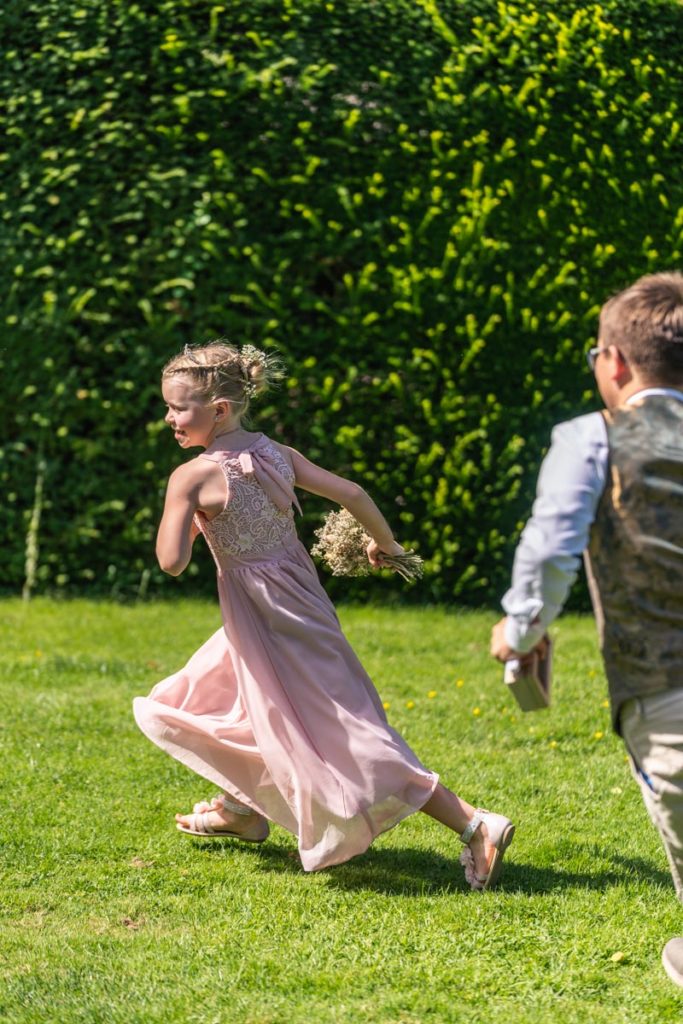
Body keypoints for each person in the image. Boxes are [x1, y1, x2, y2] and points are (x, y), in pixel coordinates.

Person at [134, 340, 514, 886]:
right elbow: (353, 493)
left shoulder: (191, 477)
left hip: (268, 620)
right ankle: (241, 809)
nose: (169, 418)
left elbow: (171, 563)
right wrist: (385, 546)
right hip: (299, 605)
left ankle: (474, 822)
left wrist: (190, 516)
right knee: (222, 693)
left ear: (218, 410)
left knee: (345, 731)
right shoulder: (277, 454)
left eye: (179, 408)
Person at [490, 272, 683, 982]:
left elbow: (548, 549)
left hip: (665, 696)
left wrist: (520, 630)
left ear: (615, 363)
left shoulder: (591, 437)